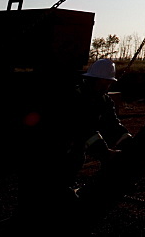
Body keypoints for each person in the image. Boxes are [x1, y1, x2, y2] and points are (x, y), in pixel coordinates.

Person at [14, 58, 131, 228]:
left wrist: (128, 142)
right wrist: (104, 153)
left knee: (60, 189)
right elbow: (82, 130)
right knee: (39, 192)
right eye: (105, 82)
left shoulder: (103, 100)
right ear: (94, 80)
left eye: (109, 83)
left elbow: (112, 125)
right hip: (48, 153)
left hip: (71, 154)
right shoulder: (73, 98)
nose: (107, 86)